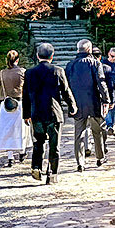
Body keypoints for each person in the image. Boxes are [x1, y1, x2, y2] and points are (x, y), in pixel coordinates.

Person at [23, 43, 76, 184]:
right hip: (54, 113)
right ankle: (52, 173)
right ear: (52, 56)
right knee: (54, 145)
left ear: (37, 56)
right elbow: (66, 91)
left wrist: (26, 114)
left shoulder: (29, 73)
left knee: (38, 142)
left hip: (37, 113)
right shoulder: (58, 71)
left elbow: (25, 95)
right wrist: (72, 106)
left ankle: (36, 167)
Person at [66, 39, 110, 172]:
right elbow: (101, 83)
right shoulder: (95, 63)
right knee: (97, 131)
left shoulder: (70, 65)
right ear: (89, 50)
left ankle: (80, 162)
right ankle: (100, 157)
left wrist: (69, 102)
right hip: (93, 102)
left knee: (79, 134)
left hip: (77, 104)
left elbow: (66, 86)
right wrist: (106, 100)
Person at [0, 50, 31, 167]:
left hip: (5, 104)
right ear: (17, 60)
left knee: (7, 131)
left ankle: (10, 157)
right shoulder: (23, 72)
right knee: (21, 129)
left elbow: (0, 87)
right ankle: (22, 151)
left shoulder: (1, 73)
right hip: (19, 103)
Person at [101, 47, 115, 136]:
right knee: (107, 107)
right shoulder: (103, 63)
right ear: (108, 54)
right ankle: (108, 125)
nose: (114, 58)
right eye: (112, 56)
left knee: (113, 109)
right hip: (106, 88)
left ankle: (110, 125)